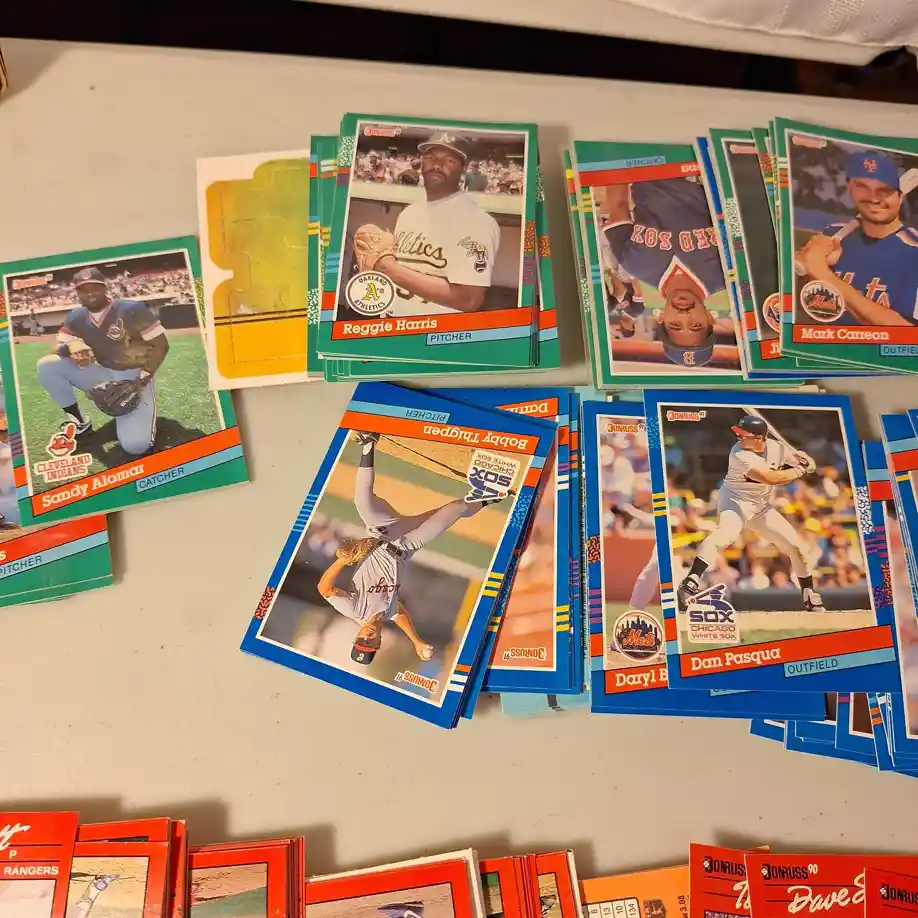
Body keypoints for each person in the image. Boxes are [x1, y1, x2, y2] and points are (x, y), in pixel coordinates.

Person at [317, 432, 500, 665]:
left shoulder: (354, 610)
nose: (368, 638)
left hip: (381, 531)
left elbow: (324, 588)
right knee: (456, 509)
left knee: (362, 501)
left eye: (362, 640)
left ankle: (368, 443)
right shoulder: (387, 613)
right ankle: (486, 497)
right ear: (378, 643)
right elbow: (399, 613)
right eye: (371, 643)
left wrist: (342, 562)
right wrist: (416, 641)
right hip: (408, 544)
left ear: (356, 637)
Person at [676, 415, 825, 613]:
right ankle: (689, 583)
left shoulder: (778, 448)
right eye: (739, 434)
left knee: (796, 547)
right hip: (734, 501)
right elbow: (771, 478)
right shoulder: (739, 454)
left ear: (759, 438)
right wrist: (800, 470)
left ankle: (809, 594)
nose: (739, 437)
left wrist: (806, 461)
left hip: (760, 507)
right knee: (724, 536)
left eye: (744, 435)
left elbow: (800, 464)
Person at [594, 178, 734, 367]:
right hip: (700, 168)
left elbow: (618, 204)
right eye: (696, 325)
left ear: (661, 318)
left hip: (647, 168)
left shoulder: (635, 264)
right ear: (709, 318)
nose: (684, 315)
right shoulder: (728, 271)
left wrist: (620, 162)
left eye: (675, 325)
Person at [35, 266, 169, 456]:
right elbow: (56, 347)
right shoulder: (76, 316)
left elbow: (161, 345)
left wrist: (143, 378)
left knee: (136, 446)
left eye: (95, 287)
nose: (90, 293)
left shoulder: (131, 309)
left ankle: (141, 418)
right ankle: (80, 422)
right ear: (77, 293)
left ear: (105, 287)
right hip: (102, 372)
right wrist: (71, 346)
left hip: (135, 375)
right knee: (48, 365)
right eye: (84, 289)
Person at [368, 132, 501, 315]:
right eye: (430, 157)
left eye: (449, 160)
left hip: (435, 331)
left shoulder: (477, 221)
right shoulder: (408, 213)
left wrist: (390, 269)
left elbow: (468, 299)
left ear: (463, 168)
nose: (437, 165)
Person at [795, 150, 918, 326]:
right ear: (850, 188)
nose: (873, 198)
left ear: (899, 196)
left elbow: (907, 333)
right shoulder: (833, 235)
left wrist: (824, 274)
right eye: (863, 187)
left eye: (884, 190)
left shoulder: (913, 252)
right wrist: (809, 272)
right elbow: (804, 308)